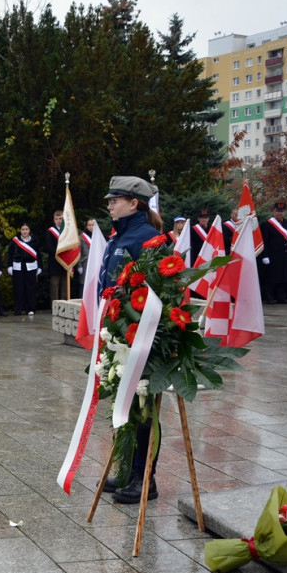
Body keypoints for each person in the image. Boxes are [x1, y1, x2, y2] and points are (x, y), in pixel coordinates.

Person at [98, 175, 164, 504]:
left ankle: (144, 477)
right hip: (118, 335)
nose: (109, 205)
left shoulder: (148, 238)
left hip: (142, 336)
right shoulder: (119, 236)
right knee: (122, 406)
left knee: (142, 410)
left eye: (115, 200)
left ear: (133, 203)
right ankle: (128, 471)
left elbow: (159, 289)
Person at [260, 202, 287, 304]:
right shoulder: (267, 224)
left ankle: (281, 297)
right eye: (278, 211)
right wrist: (265, 255)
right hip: (273, 256)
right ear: (274, 211)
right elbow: (265, 241)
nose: (280, 213)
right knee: (271, 278)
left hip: (285, 255)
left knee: (283, 277)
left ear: (285, 212)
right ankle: (269, 297)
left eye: (282, 211)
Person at [7, 224, 40, 316]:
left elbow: (38, 254)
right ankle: (18, 309)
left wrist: (39, 267)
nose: (25, 231)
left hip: (31, 267)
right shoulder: (15, 241)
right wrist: (9, 266)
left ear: (29, 230)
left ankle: (30, 309)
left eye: (26, 229)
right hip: (18, 267)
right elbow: (10, 254)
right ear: (20, 230)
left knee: (30, 288)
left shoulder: (35, 241)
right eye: (23, 229)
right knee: (18, 288)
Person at [43, 209, 69, 301]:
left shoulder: (67, 231)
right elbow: (49, 247)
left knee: (65, 285)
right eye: (57, 219)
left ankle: (64, 305)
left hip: (65, 261)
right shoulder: (50, 232)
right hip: (54, 262)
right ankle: (55, 306)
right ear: (54, 220)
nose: (59, 221)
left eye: (61, 218)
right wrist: (60, 252)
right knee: (55, 285)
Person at [76, 219, 97, 298]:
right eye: (89, 225)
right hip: (85, 264)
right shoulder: (81, 238)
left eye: (92, 225)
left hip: (95, 264)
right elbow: (78, 253)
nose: (91, 227)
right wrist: (79, 266)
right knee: (84, 284)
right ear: (86, 226)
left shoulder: (97, 237)